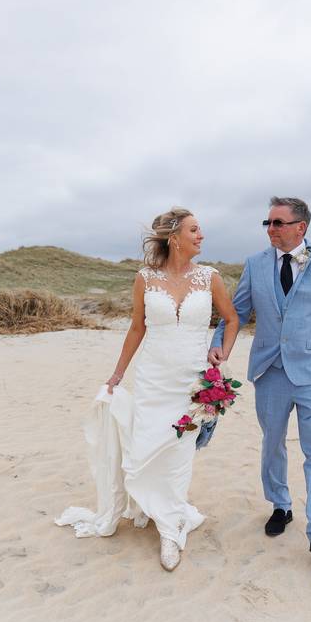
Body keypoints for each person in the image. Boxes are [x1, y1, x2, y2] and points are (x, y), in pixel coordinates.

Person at [58, 207, 239, 571]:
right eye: (194, 230)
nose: (201, 235)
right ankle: (151, 507)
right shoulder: (145, 278)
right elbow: (137, 328)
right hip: (153, 379)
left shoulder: (210, 278)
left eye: (200, 229)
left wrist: (222, 352)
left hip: (191, 381)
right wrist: (117, 373)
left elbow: (232, 319)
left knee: (178, 455)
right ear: (174, 238)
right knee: (142, 452)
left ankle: (171, 531)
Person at [209, 196, 311, 565]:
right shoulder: (255, 265)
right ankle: (281, 504)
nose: (270, 229)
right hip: (269, 370)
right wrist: (218, 348)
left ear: (300, 228)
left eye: (278, 223)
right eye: (268, 223)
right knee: (272, 442)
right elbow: (235, 313)